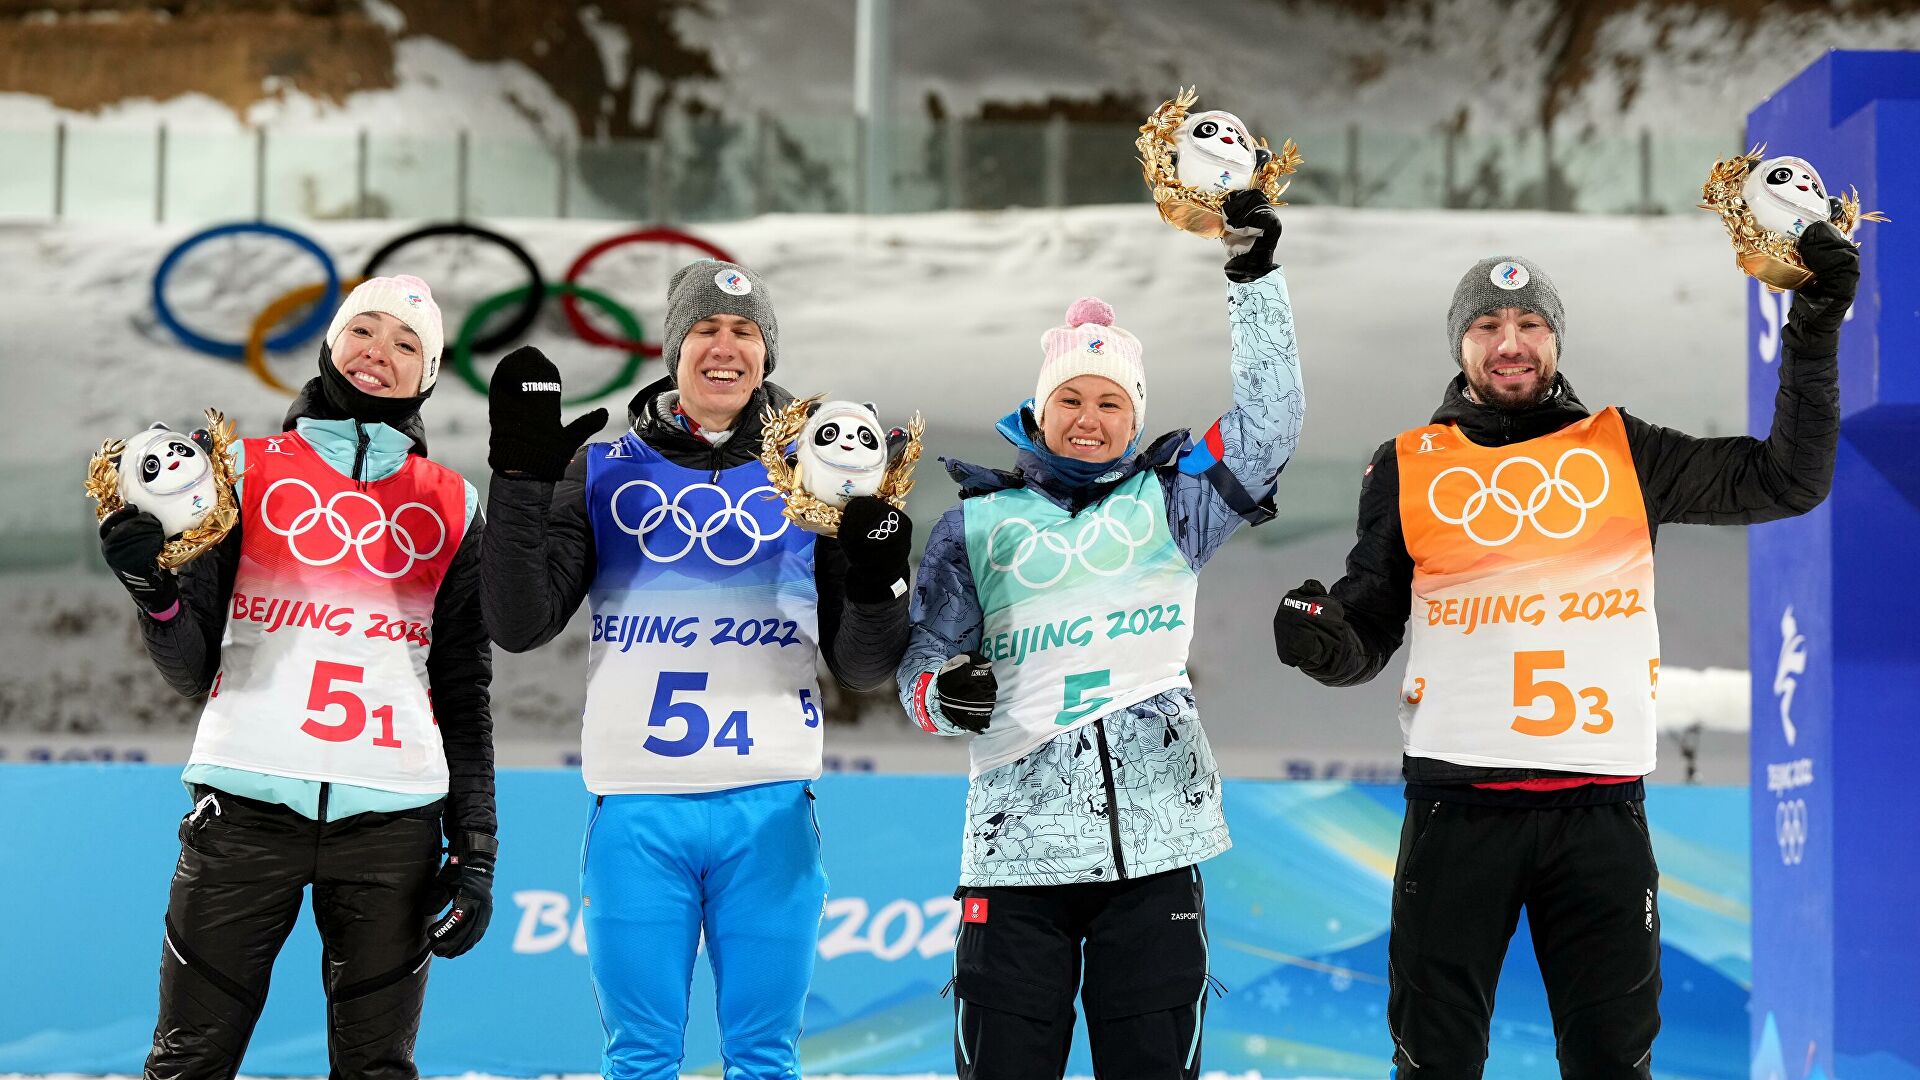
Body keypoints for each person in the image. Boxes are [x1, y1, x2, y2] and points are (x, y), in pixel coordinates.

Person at [1271, 225, 1855, 1078]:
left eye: (1530, 324)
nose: (1510, 343)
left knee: (1613, 1063)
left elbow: (1786, 479)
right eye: (1486, 326)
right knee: (1433, 1062)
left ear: (1555, 339)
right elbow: (1368, 626)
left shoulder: (1625, 450)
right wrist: (1324, 638)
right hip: (1457, 808)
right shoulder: (1407, 464)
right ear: (1460, 346)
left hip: (1600, 812)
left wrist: (1814, 326)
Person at [895, 190, 1304, 1079]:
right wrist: (938, 695)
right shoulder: (976, 523)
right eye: (1070, 399)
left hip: (1155, 850)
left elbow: (1270, 427)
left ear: (1135, 414)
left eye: (1111, 402)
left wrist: (1253, 277)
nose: (1089, 417)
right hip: (1014, 855)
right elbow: (919, 666)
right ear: (1039, 413)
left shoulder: (1175, 499)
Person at [479, 259, 914, 1080]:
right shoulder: (603, 466)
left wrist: (876, 580)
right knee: (640, 1058)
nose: (726, 347)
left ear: (767, 355)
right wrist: (520, 483)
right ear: (674, 349)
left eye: (745, 332)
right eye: (705, 330)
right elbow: (518, 621)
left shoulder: (817, 473)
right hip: (639, 807)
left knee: (763, 1057)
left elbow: (860, 667)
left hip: (770, 807)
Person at [97, 275, 498, 1080]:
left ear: (427, 373)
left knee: (376, 1069)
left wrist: (478, 849)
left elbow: (463, 690)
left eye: (406, 343)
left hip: (395, 827)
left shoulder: (454, 503)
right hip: (244, 813)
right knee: (188, 1064)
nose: (379, 352)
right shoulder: (238, 471)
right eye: (365, 330)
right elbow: (189, 665)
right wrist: (155, 595)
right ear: (330, 343)